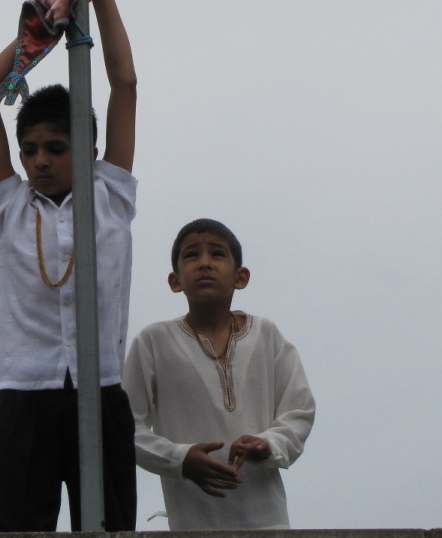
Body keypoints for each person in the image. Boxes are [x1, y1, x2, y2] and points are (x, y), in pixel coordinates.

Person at [0, 0, 138, 532]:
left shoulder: (110, 195)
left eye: (56, 149)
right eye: (31, 150)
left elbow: (124, 85)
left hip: (100, 391)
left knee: (111, 527)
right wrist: (41, 24)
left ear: (88, 151)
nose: (39, 161)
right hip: (25, 394)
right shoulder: (11, 206)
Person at [121, 219, 316, 530]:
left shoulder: (266, 336)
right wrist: (180, 459)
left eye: (217, 254)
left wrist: (268, 444)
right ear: (175, 281)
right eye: (192, 255)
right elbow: (125, 428)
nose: (205, 264)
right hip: (192, 523)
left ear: (241, 277)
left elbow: (300, 410)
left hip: (267, 522)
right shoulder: (153, 343)